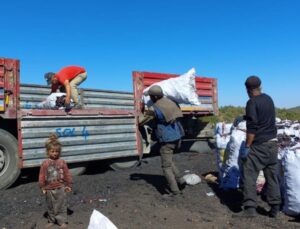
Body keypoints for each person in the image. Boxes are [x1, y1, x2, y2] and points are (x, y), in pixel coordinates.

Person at [239, 76, 281, 218]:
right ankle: (275, 207)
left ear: (247, 89)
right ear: (260, 86)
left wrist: (247, 146)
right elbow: (265, 116)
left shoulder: (251, 102)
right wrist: (246, 117)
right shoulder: (268, 98)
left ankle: (250, 208)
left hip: (259, 146)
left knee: (249, 175)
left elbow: (252, 128)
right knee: (271, 176)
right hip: (273, 144)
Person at [139, 85, 186, 196]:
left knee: (166, 167)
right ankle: (181, 180)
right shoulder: (171, 102)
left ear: (155, 96)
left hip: (166, 139)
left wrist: (140, 113)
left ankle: (175, 191)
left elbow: (141, 121)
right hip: (177, 136)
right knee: (168, 160)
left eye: (150, 96)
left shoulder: (155, 108)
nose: (150, 98)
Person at [39, 133, 72, 228]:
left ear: (59, 152)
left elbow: (67, 174)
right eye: (52, 151)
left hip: (60, 187)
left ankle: (62, 221)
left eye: (57, 151)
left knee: (61, 204)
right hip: (49, 188)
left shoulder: (62, 162)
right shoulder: (45, 163)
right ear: (48, 151)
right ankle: (52, 220)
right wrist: (42, 186)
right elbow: (41, 175)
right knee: (50, 205)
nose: (54, 153)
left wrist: (69, 185)